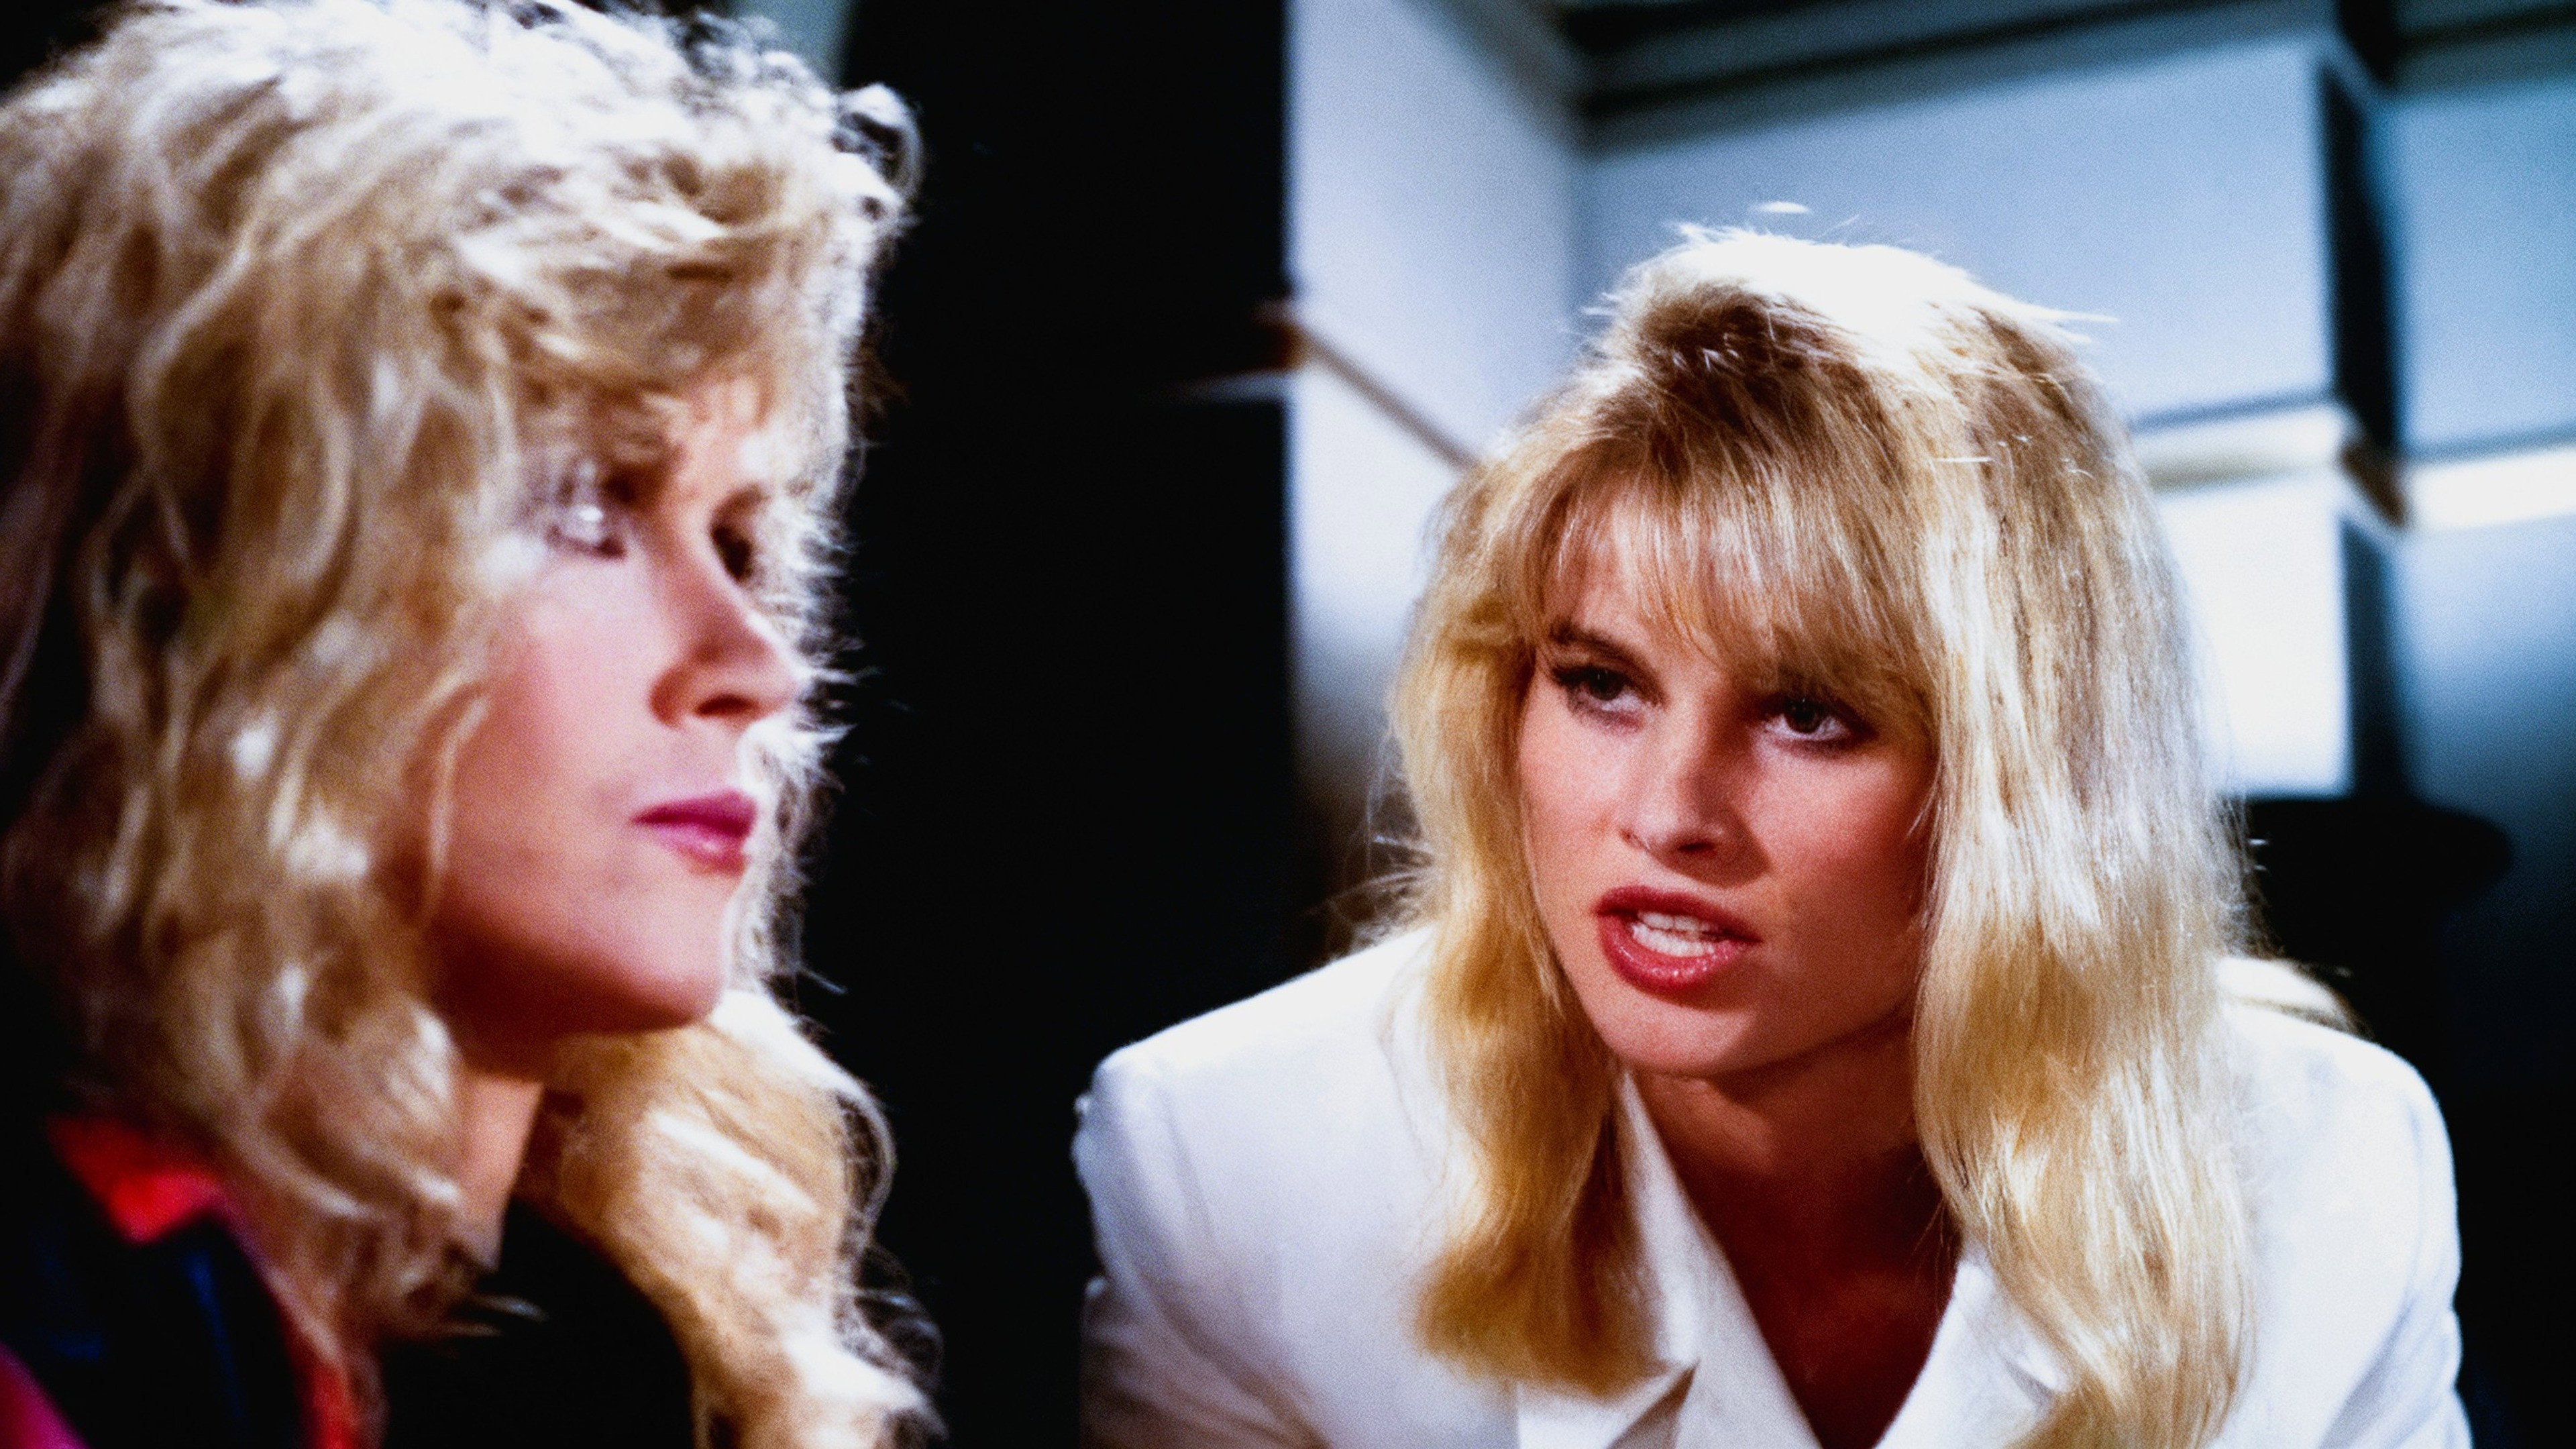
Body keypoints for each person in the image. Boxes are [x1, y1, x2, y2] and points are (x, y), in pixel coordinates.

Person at [1075, 230, 2467, 1449]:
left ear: (2027, 779)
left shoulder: (2327, 1178)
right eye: (1600, 684)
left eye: (1809, 716)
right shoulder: (1234, 1167)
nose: (1667, 812)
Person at [0, 2, 924, 1446]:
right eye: (583, 507)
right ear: (205, 574)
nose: (752, 668)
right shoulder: (73, 1318)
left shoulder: (659, 1363)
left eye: (741, 544)